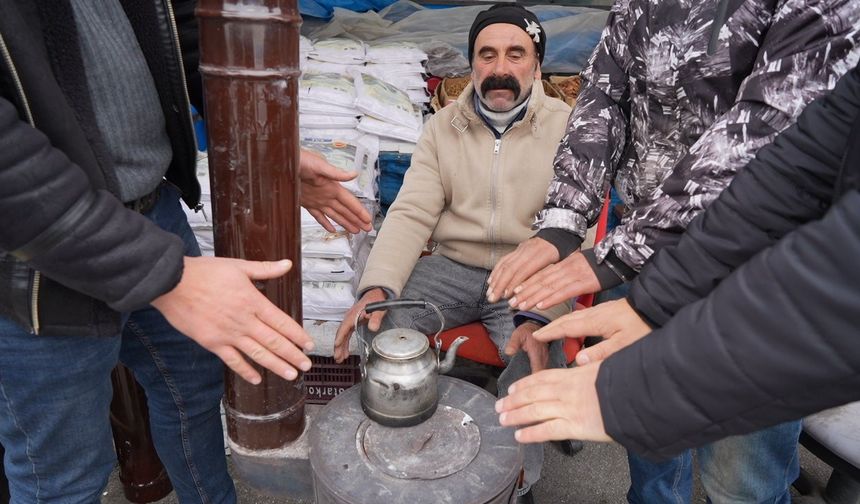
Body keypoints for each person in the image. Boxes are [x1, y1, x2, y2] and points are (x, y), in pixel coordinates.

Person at [486, 0, 860, 502]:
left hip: (760, 261)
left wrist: (625, 261)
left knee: (741, 470)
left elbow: (774, 141)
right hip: (641, 244)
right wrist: (565, 224)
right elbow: (601, 97)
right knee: (648, 439)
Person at [0, 0, 370, 502]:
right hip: (36, 257)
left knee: (192, 393)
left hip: (155, 211)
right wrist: (162, 275)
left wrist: (272, 152)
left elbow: (190, 40)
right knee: (63, 475)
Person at [332, 5, 571, 502]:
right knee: (379, 321)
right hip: (454, 267)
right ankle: (403, 443)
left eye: (515, 54)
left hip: (530, 274)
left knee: (534, 351)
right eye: (487, 54)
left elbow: (575, 228)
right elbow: (412, 210)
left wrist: (539, 311)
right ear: (472, 64)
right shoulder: (443, 127)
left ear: (537, 65)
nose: (500, 67)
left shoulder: (568, 127)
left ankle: (517, 481)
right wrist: (377, 287)